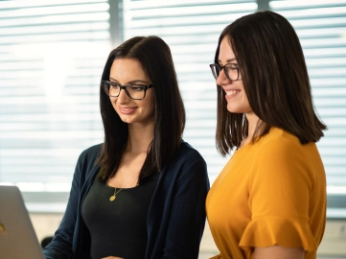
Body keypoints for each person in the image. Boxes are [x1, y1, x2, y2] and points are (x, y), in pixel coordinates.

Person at [43, 36, 209, 259]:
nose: (121, 98)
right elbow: (64, 241)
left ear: (161, 89)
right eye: (114, 85)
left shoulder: (187, 167)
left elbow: (179, 256)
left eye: (136, 87)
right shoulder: (90, 159)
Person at [206, 11, 327, 259]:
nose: (220, 79)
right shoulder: (253, 146)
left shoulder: (279, 152)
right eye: (220, 67)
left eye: (233, 67)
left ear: (269, 67)